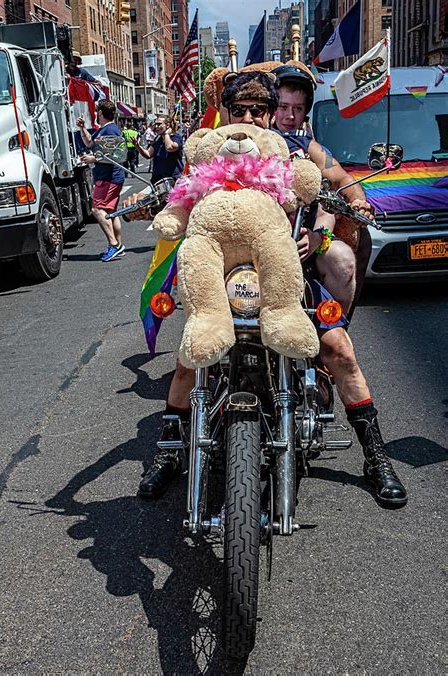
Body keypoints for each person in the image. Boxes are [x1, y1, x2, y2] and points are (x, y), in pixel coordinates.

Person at [127, 72, 407, 508]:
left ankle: (376, 457)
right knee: (189, 355)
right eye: (239, 110)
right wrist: (144, 204)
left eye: (259, 110)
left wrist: (325, 229)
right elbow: (177, 195)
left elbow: (331, 186)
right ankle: (169, 450)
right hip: (220, 278)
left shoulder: (294, 150)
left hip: (288, 274)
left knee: (340, 351)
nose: (249, 118)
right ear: (225, 111)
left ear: (271, 111)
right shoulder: (209, 151)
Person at [272, 63, 373, 315]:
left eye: (297, 109)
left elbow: (341, 178)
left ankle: (334, 325)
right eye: (283, 107)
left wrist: (358, 200)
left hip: (307, 237)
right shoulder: (251, 140)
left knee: (343, 261)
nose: (289, 116)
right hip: (262, 239)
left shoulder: (310, 147)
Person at [76, 99, 126, 262]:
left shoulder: (110, 130)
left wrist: (93, 158)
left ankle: (113, 245)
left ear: (101, 113)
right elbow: (90, 142)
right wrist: (83, 128)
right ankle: (119, 245)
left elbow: (115, 155)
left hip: (108, 177)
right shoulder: (104, 130)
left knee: (97, 210)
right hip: (109, 177)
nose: (96, 114)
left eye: (97, 111)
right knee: (111, 212)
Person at [133, 116, 184, 184]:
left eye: (159, 124)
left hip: (173, 179)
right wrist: (137, 146)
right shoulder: (157, 139)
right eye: (155, 124)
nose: (156, 126)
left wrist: (166, 134)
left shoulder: (176, 138)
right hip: (158, 179)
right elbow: (148, 154)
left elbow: (169, 148)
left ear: (167, 125)